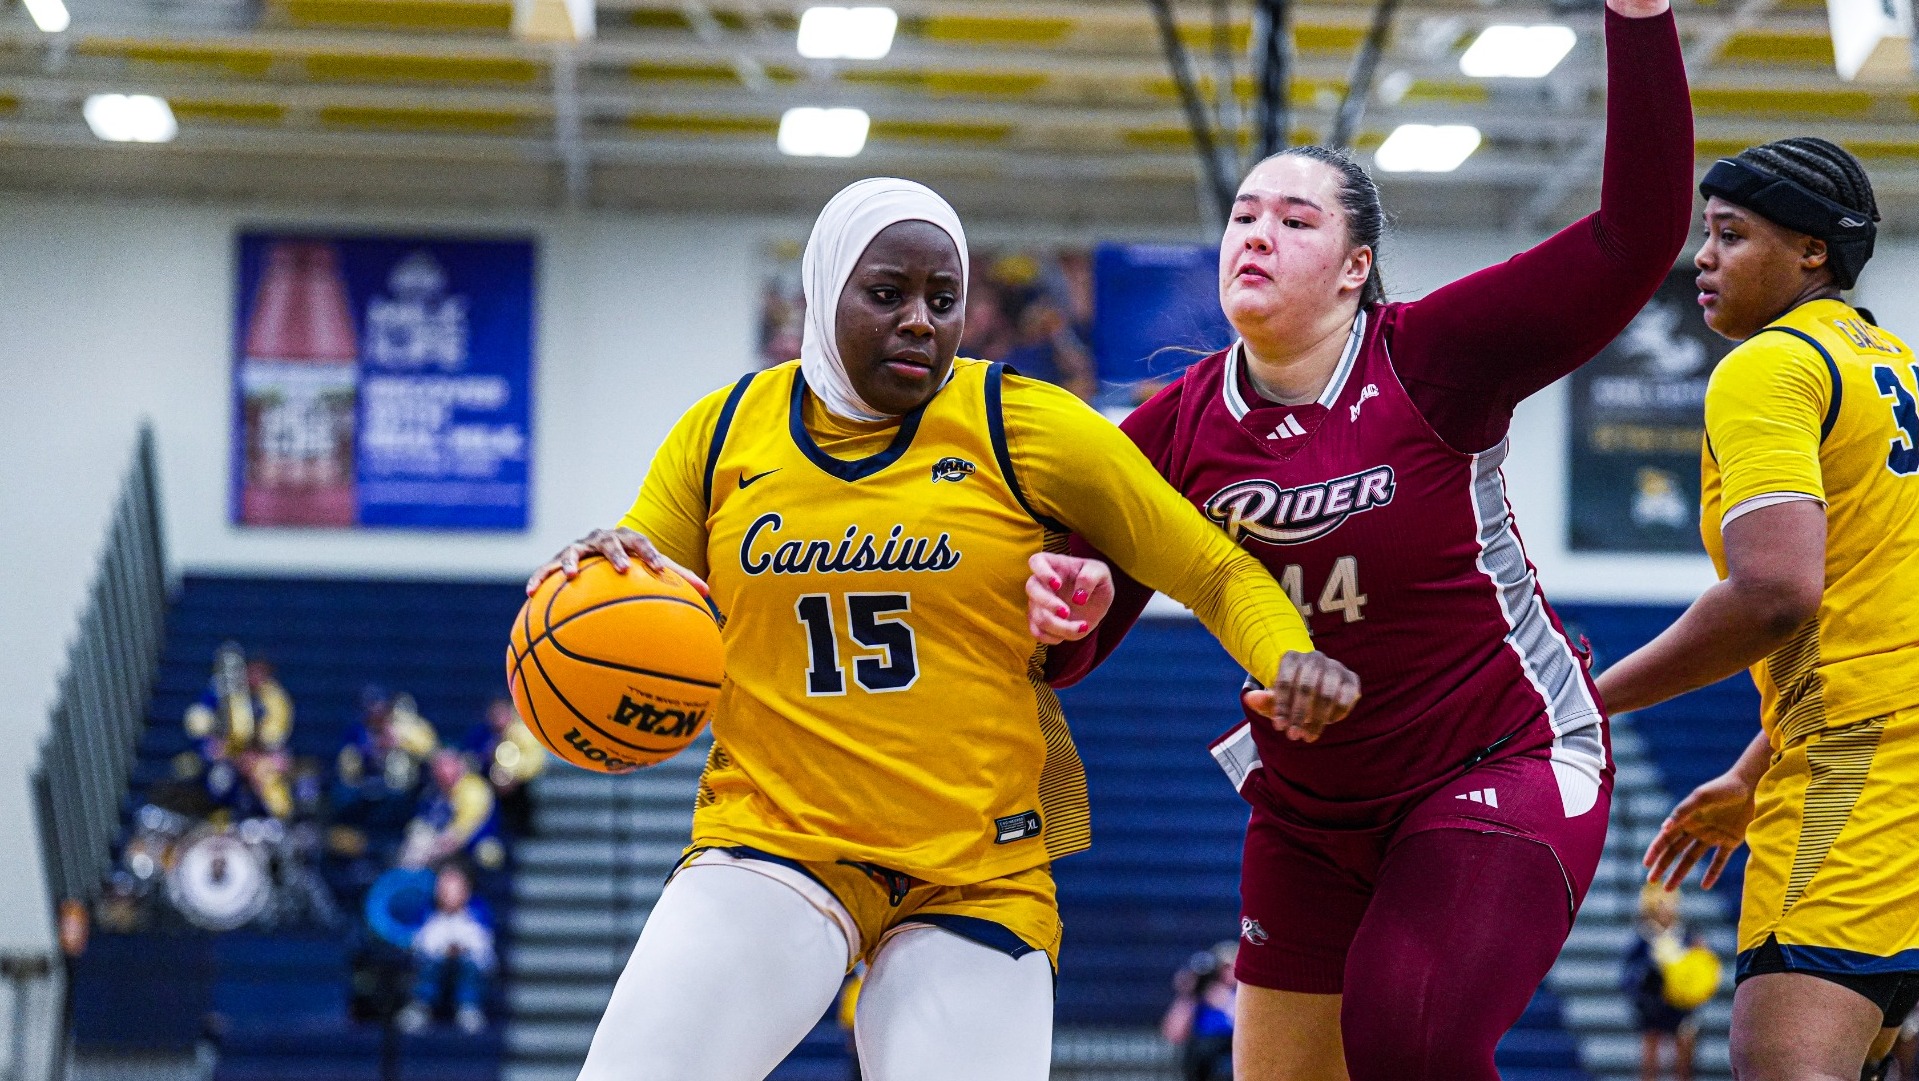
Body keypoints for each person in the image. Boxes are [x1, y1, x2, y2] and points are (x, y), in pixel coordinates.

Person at [528, 177, 1358, 1081]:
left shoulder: (1023, 423)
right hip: (776, 843)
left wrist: (1291, 654)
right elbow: (639, 576)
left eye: (943, 299)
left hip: (976, 875)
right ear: (822, 292)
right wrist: (603, 560)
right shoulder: (722, 433)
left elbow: (1211, 565)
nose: (920, 321)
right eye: (887, 295)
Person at [1028, 0, 1691, 1075]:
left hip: (1496, 760)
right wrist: (1064, 608)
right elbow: (1071, 640)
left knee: (1407, 1035)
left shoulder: (1432, 356)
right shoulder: (1169, 430)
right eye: (1244, 215)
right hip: (1309, 805)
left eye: (1294, 220)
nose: (1255, 233)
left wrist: (1638, 16)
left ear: (1353, 267)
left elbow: (1635, 236)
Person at [1594, 137, 1919, 1081]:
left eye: (1729, 235)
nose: (1702, 257)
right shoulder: (1891, 364)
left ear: (1810, 250)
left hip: (1856, 773)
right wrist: (1748, 769)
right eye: (1705, 234)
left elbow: (1776, 593)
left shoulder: (1770, 366)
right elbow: (1879, 610)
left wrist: (1580, 699)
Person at [182, 643, 295, 819]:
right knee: (220, 781)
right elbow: (198, 724)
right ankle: (219, 821)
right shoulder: (219, 694)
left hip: (259, 758)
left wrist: (255, 756)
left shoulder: (274, 697)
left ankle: (271, 825)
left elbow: (275, 736)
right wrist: (221, 749)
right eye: (254, 671)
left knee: (273, 788)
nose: (257, 677)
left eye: (263, 673)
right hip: (225, 757)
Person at [1623, 883, 1713, 1081]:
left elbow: (1702, 967)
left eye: (1668, 905)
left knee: (1684, 1052)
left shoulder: (1688, 936)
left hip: (1681, 1003)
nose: (1664, 910)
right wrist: (1644, 981)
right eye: (1659, 906)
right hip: (1653, 1003)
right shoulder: (1643, 939)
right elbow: (1629, 974)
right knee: (1651, 1052)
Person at [396, 862, 494, 1036]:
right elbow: (420, 943)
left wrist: (463, 949)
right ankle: (421, 1006)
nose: (450, 895)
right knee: (431, 964)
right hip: (435, 963)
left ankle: (468, 1007)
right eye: (445, 889)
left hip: (468, 964)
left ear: (466, 891)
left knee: (469, 965)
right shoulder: (429, 914)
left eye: (455, 889)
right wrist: (442, 949)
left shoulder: (476, 914)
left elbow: (484, 946)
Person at [401, 750, 502, 871]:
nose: (443, 772)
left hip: (476, 844)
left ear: (459, 767)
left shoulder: (473, 789)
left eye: (447, 766)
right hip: (441, 846)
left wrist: (433, 848)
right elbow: (422, 820)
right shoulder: (433, 792)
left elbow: (460, 833)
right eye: (438, 768)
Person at [462, 697, 545, 837]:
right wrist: (485, 756)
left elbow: (535, 761)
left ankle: (522, 830)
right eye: (495, 715)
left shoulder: (522, 733)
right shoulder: (481, 734)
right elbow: (468, 759)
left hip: (517, 783)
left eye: (502, 715)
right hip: (489, 781)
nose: (498, 719)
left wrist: (515, 775)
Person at [1162, 942, 1238, 1081]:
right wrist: (1188, 994)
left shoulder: (1242, 997)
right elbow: (1174, 1034)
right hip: (1203, 1056)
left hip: (1230, 1053)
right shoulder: (1201, 996)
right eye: (1223, 967)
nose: (1228, 972)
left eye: (1232, 966)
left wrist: (1225, 1002)